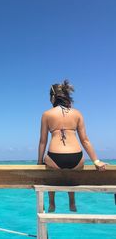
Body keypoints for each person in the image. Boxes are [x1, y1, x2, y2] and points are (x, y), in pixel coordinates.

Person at [37, 79, 107, 212]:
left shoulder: (46, 114)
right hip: (76, 158)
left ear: (53, 97)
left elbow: (42, 141)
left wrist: (40, 161)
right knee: (71, 175)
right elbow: (85, 140)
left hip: (55, 157)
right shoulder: (77, 113)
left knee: (50, 173)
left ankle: (52, 203)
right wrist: (96, 161)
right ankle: (72, 202)